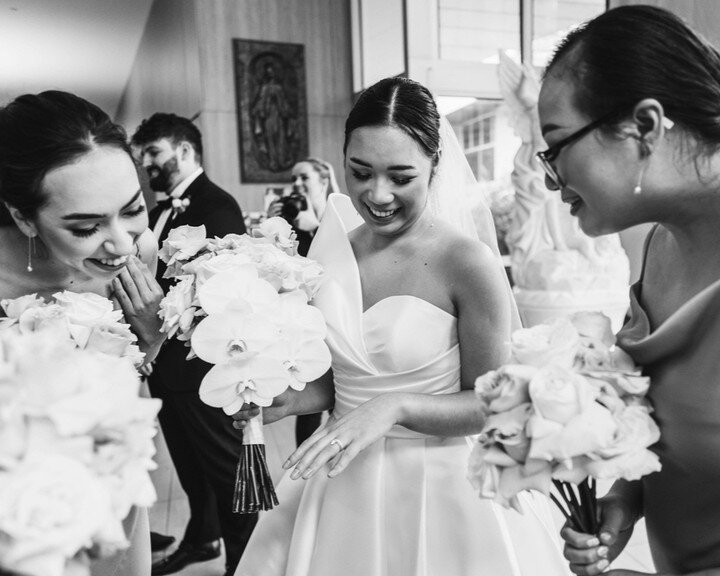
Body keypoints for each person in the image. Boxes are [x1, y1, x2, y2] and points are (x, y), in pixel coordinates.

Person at [231, 76, 569, 576]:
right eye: (360, 171)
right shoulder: (330, 250)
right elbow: (341, 374)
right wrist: (290, 400)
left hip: (442, 481)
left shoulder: (467, 261)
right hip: (343, 477)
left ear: (435, 166)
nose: (377, 194)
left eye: (401, 176)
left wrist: (396, 407)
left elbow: (493, 403)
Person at [536, 6, 720, 575]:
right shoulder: (660, 244)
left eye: (557, 145)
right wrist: (624, 501)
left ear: (643, 126)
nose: (548, 177)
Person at [0, 90, 166, 576]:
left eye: (132, 209)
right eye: (87, 226)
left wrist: (149, 340)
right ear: (23, 216)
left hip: (109, 468)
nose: (120, 242)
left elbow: (133, 371)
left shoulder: (140, 250)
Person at [131, 113, 255, 576]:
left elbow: (222, 294)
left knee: (226, 473)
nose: (146, 163)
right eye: (142, 155)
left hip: (201, 367)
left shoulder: (216, 206)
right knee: (190, 467)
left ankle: (243, 563)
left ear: (185, 151)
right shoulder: (162, 207)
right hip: (167, 365)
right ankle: (202, 539)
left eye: (154, 152)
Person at [267, 157, 340, 445]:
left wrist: (316, 227)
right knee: (306, 402)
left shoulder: (339, 214)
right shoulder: (292, 218)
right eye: (293, 179)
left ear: (323, 181)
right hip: (304, 323)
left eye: (304, 178)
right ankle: (304, 464)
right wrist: (276, 228)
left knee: (341, 395)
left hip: (336, 319)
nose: (297, 184)